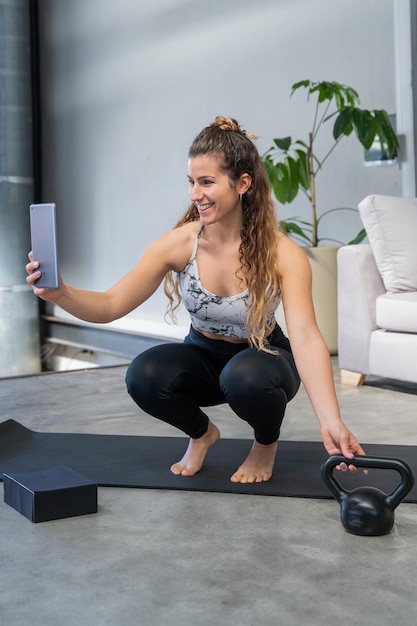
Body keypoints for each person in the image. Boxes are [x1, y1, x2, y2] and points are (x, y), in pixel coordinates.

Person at [26, 115, 365, 484]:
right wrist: (60, 292)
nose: (194, 194)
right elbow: (110, 304)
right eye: (191, 182)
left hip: (265, 360)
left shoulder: (282, 253)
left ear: (243, 184)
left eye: (206, 182)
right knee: (144, 375)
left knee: (245, 376)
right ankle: (203, 434)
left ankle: (265, 444)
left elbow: (305, 336)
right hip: (204, 355)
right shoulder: (179, 244)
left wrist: (331, 420)